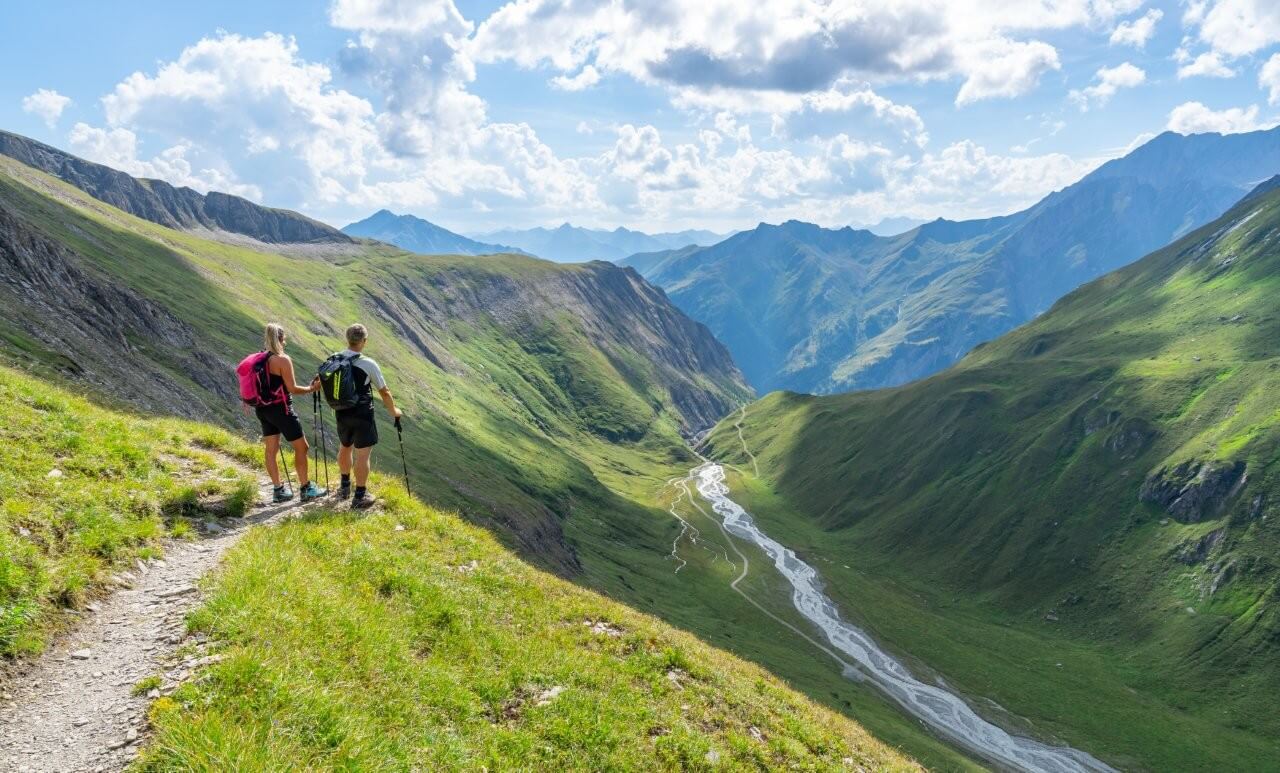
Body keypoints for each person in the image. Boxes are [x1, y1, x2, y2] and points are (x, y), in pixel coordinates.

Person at [333, 323, 401, 509]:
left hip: (341, 412)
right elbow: (384, 392)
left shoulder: (335, 358)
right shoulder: (368, 364)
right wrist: (394, 412)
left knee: (345, 447)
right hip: (362, 415)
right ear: (364, 341)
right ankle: (360, 496)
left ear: (347, 339)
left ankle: (344, 487)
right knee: (363, 455)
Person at [257, 323, 327, 502]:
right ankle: (306, 488)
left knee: (271, 449)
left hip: (263, 409)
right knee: (302, 447)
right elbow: (293, 388)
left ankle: (278, 490)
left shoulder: (259, 358)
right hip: (282, 410)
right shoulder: (282, 360)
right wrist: (313, 388)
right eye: (285, 339)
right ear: (280, 339)